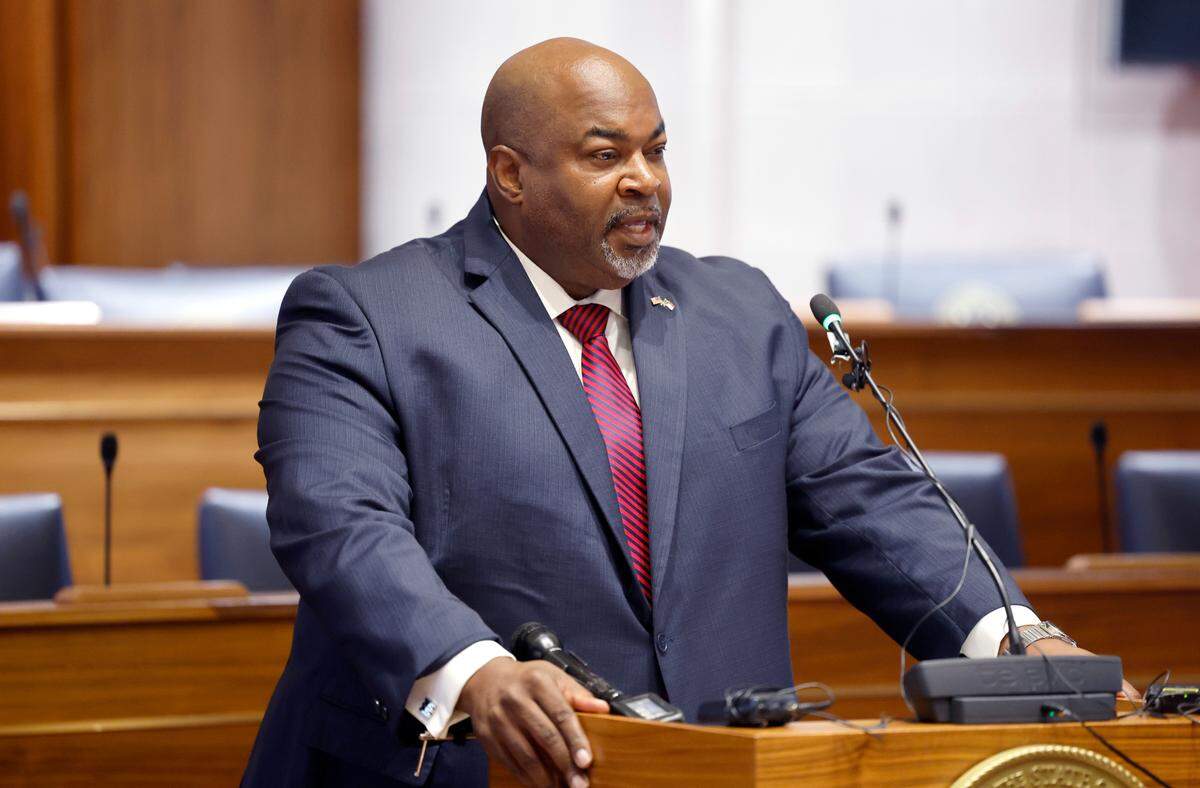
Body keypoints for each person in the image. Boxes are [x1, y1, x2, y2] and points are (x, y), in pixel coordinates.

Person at [243, 38, 1129, 788]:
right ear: (509, 174)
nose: (644, 182)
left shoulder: (738, 316)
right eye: (605, 157)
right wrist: (476, 671)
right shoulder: (368, 315)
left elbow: (867, 499)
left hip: (717, 761)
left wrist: (1020, 642)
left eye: (655, 151)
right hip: (461, 768)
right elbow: (340, 526)